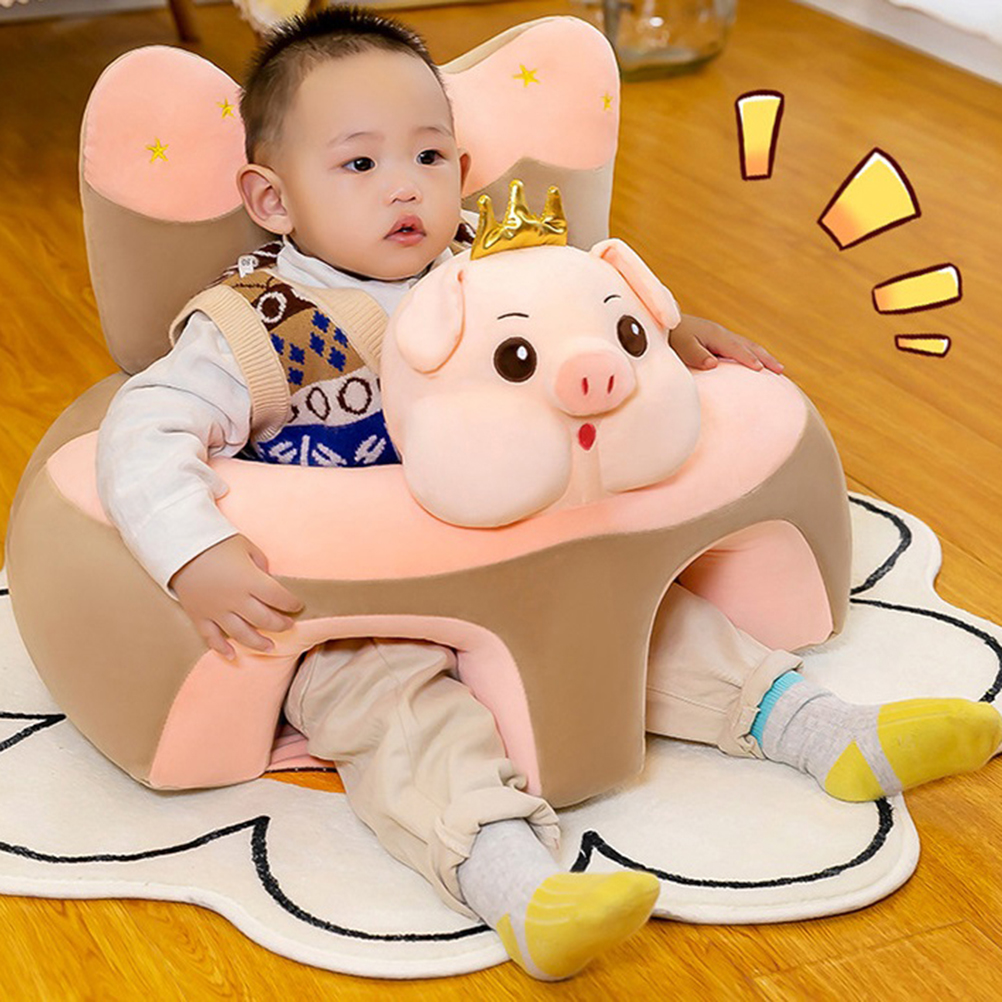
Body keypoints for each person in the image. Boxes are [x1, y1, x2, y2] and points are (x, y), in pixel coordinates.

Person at [96, 6, 1002, 981]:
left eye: (429, 156)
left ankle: (823, 730)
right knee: (401, 722)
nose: (405, 185)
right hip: (368, 616)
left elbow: (588, 336)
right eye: (359, 164)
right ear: (272, 200)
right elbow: (144, 427)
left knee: (657, 626)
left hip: (531, 569)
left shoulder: (501, 271)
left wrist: (669, 337)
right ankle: (516, 883)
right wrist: (193, 551)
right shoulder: (258, 326)